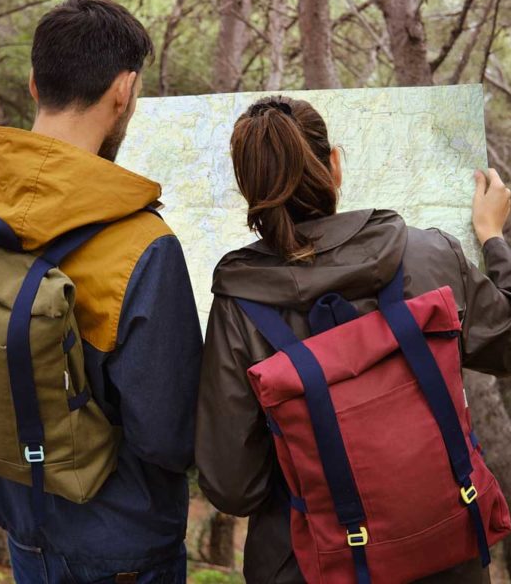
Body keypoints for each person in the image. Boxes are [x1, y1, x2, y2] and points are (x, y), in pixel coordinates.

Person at [195, 95, 511, 584]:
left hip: (308, 565)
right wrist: (492, 238)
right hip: (444, 550)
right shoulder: (430, 255)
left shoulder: (239, 306)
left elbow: (233, 486)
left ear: (249, 188)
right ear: (335, 165)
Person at [0, 0, 202, 584]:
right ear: (124, 89)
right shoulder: (143, 245)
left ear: (34, 83)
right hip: (122, 543)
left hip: (20, 521)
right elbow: (166, 438)